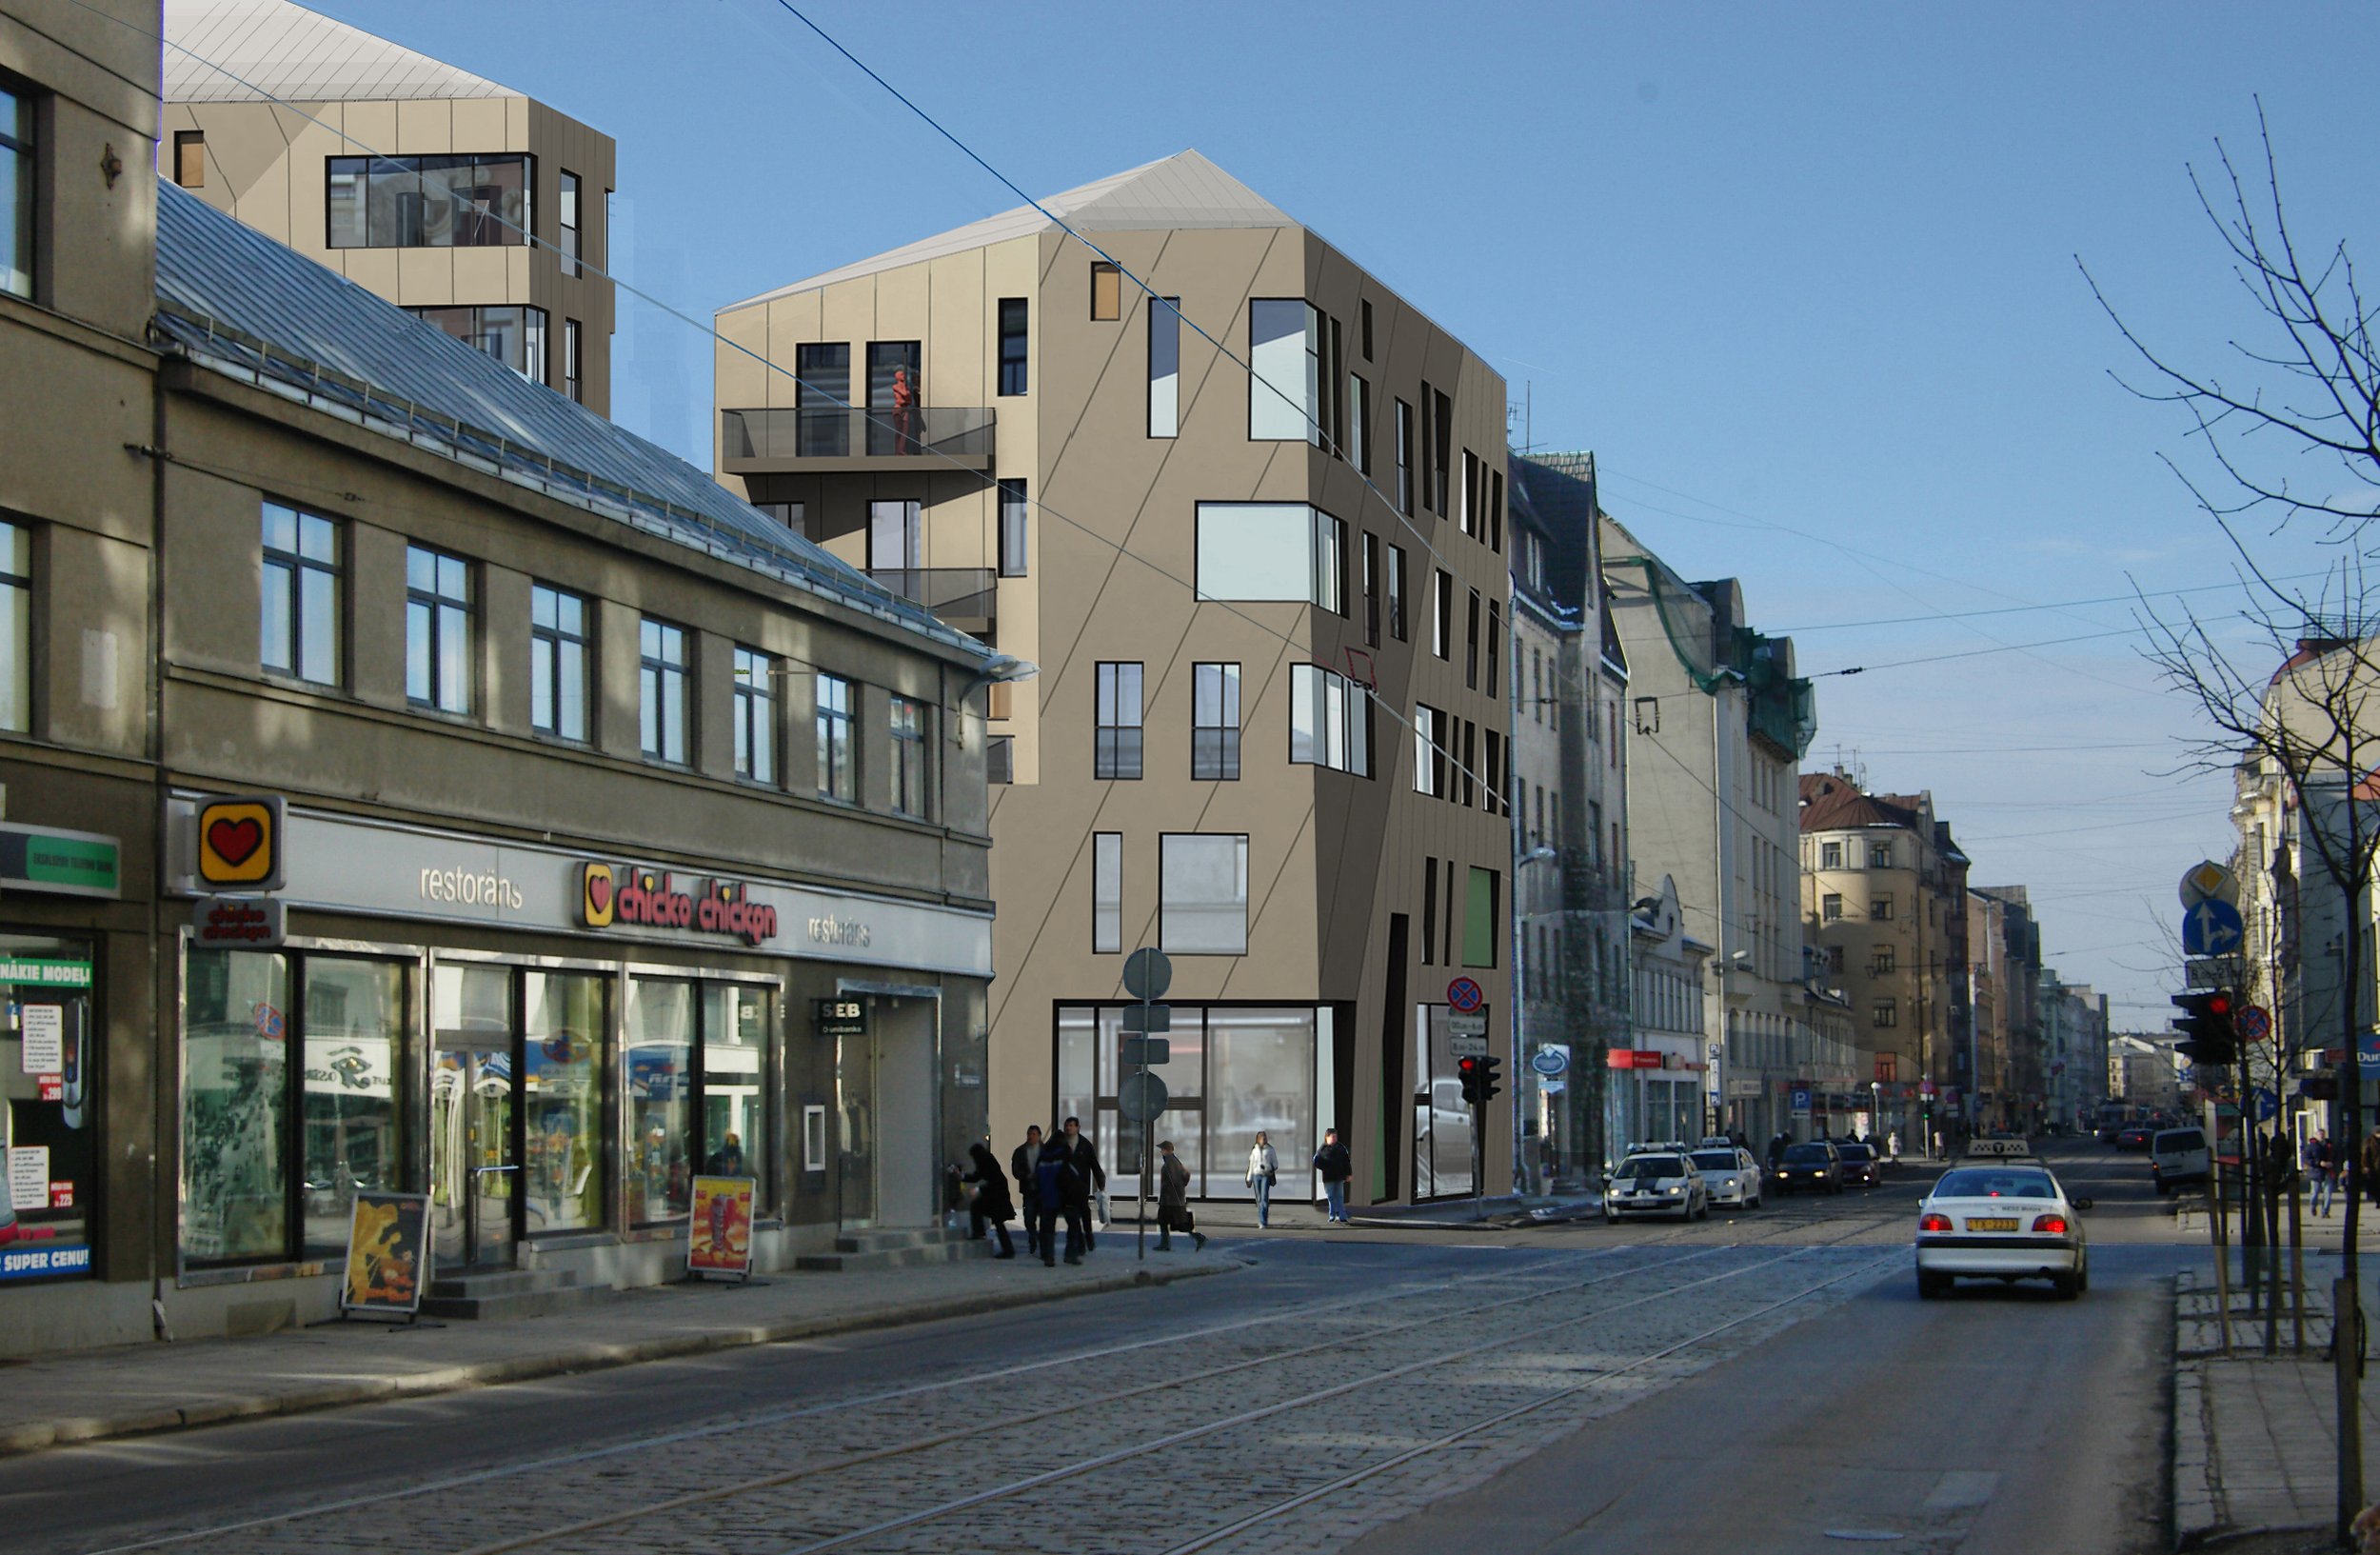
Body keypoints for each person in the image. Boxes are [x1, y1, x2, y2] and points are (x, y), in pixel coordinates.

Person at [1035, 1135, 1087, 1265]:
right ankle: (1070, 1255)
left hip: (1046, 1196)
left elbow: (1036, 1178)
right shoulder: (1065, 1156)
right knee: (1073, 1225)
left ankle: (1048, 1256)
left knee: (1048, 1228)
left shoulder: (1042, 1157)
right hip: (1065, 1197)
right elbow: (1072, 1176)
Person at [962, 1142, 1016, 1258]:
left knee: (978, 1208)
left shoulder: (985, 1162)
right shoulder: (986, 1160)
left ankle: (980, 1233)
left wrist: (979, 1189)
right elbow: (977, 1176)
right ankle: (1007, 1249)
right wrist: (962, 1176)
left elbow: (987, 1180)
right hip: (997, 1195)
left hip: (997, 1195)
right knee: (997, 1221)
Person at [1062, 1116, 1106, 1251]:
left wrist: (1101, 1183)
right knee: (1072, 1219)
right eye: (1067, 1125)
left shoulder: (1085, 1145)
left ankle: (1088, 1237)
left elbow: (1094, 1165)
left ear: (1077, 1127)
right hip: (1065, 1188)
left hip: (1081, 1188)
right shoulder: (1060, 1144)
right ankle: (1080, 1244)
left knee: (1085, 1215)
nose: (1069, 1128)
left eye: (1071, 1125)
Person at [1156, 1141, 1206, 1251]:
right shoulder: (1175, 1161)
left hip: (1170, 1201)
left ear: (1166, 1150)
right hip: (1173, 1199)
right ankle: (1197, 1238)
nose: (1160, 1151)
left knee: (1169, 1222)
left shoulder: (1170, 1163)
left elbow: (1173, 1181)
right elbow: (1186, 1174)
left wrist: (1174, 1191)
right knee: (1175, 1224)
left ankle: (1198, 1238)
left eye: (1162, 1149)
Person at [1010, 1125, 1045, 1258]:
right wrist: (1025, 1176)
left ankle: (1043, 1243)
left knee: (1044, 1219)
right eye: (1029, 1134)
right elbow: (1015, 1170)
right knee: (1029, 1217)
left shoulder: (1046, 1150)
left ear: (1039, 1135)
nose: (1031, 1137)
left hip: (1043, 1190)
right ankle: (1032, 1236)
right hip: (1028, 1190)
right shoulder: (1020, 1151)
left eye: (1034, 1134)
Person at [1313, 1126, 1352, 1224]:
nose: (1334, 1139)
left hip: (1339, 1176)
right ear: (1327, 1137)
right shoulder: (1323, 1149)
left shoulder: (1341, 1148)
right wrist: (1324, 1167)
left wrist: (1349, 1173)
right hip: (1328, 1177)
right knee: (1330, 1196)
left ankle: (1342, 1216)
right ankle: (1332, 1215)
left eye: (1335, 1137)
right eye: (1332, 1137)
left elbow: (1346, 1162)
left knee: (1339, 1196)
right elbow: (1316, 1161)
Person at [1245, 1130, 1279, 1228]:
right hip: (1256, 1175)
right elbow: (1251, 1165)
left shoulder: (1270, 1150)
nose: (1264, 1140)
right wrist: (1248, 1178)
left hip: (1266, 1175)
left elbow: (1275, 1164)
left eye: (1265, 1138)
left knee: (1264, 1198)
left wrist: (1269, 1167)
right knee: (1259, 1198)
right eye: (1262, 1138)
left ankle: (1263, 1221)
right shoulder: (1254, 1150)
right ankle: (1261, 1218)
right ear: (1258, 1139)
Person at [2308, 1129, 2335, 1218]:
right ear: (2315, 1135)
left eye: (2323, 1134)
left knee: (2328, 1193)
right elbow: (2308, 1159)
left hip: (2328, 1171)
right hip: (2316, 1172)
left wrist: (2331, 1163)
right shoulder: (2311, 1146)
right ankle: (2313, 1206)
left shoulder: (2329, 1145)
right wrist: (2319, 1163)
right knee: (2315, 1193)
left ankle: (2325, 1211)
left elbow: (2335, 1156)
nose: (2321, 1136)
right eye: (2319, 1134)